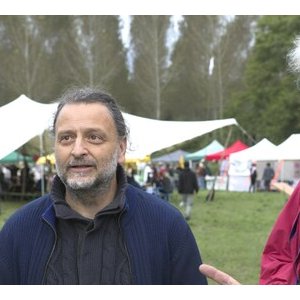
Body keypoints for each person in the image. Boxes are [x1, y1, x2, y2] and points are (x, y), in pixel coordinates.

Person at [0, 87, 207, 285]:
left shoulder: (166, 226)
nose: (78, 150)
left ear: (121, 148)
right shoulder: (19, 231)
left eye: (94, 137)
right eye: (66, 138)